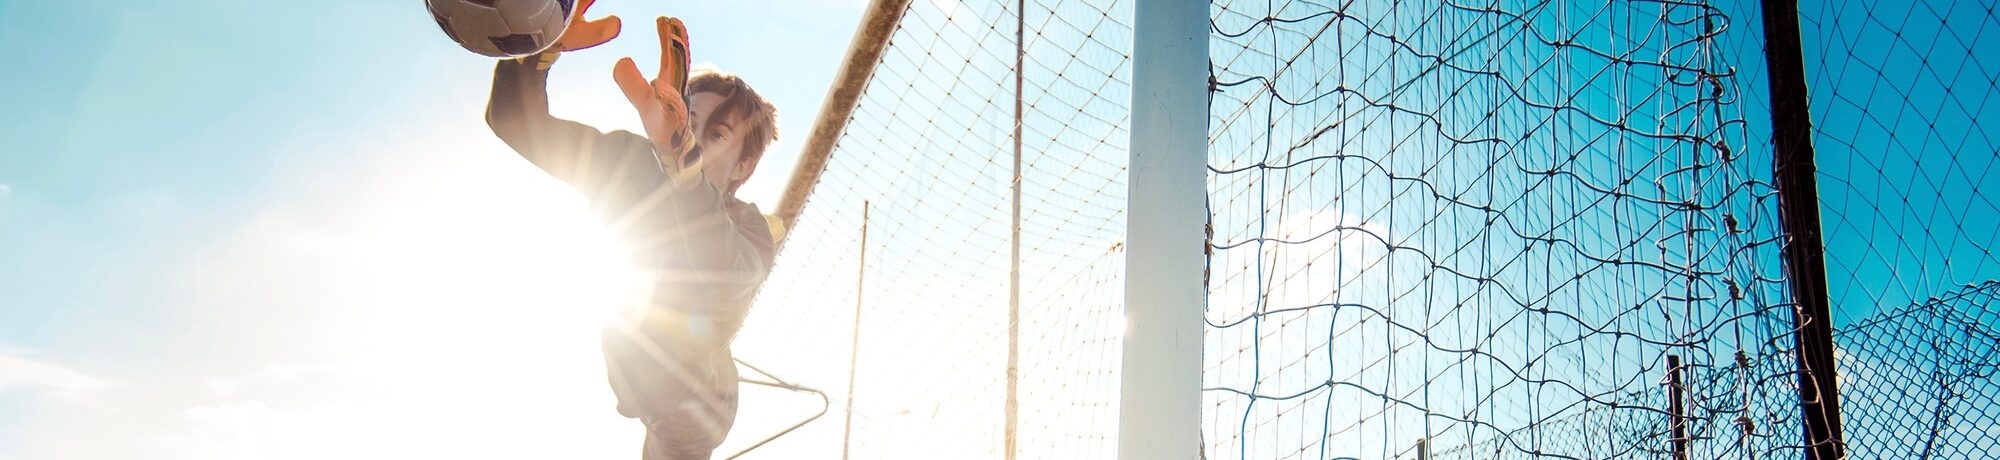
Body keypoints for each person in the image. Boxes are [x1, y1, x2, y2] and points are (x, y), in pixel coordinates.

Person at [484, 1, 782, 458]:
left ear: (744, 164)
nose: (694, 136)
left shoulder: (749, 228)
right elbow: (513, 122)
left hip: (700, 404)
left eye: (716, 135)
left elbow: (725, 275)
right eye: (690, 119)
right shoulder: (629, 164)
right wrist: (538, 51)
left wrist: (680, 159)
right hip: (640, 387)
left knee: (670, 422)